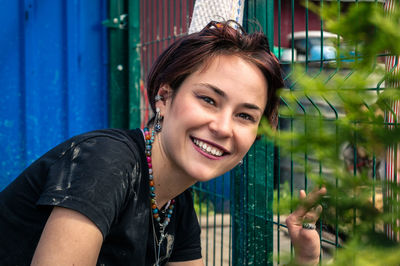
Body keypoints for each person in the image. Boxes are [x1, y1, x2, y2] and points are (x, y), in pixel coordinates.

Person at [0, 21, 326, 266]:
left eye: (244, 116)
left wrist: (305, 259)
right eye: (208, 100)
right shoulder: (107, 164)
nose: (223, 127)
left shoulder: (174, 203)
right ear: (164, 98)